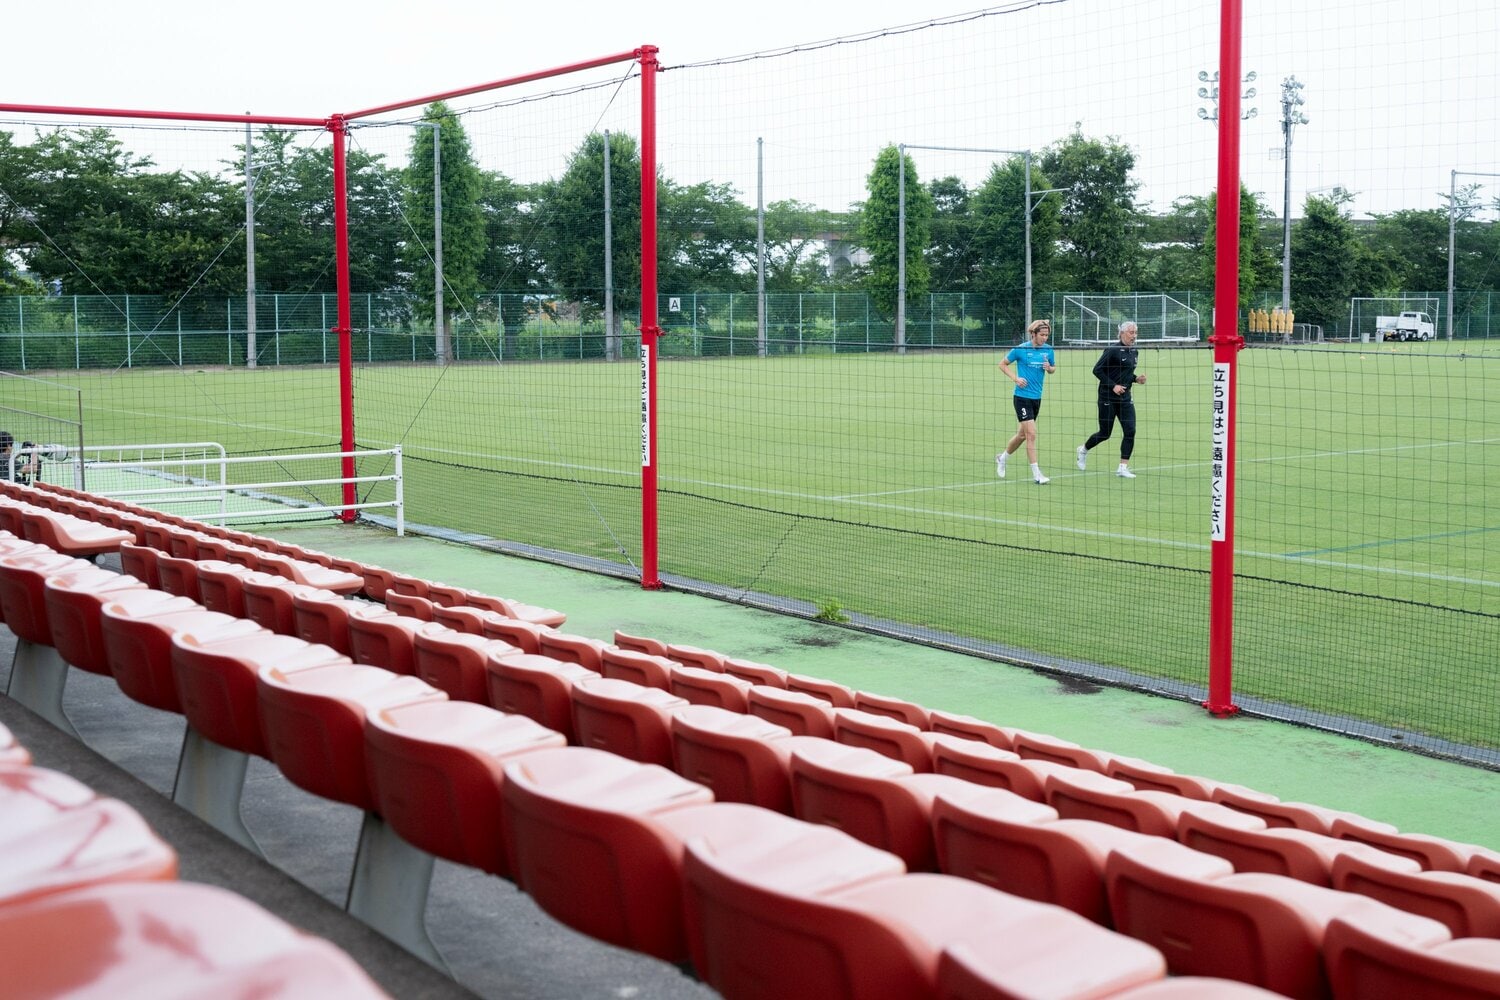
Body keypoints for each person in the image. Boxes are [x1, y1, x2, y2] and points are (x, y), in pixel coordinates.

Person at [1077, 320, 1146, 478]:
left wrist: (1136, 379)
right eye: (1131, 332)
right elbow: (1097, 370)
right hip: (1107, 396)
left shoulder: (1134, 351)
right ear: (1122, 333)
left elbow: (1126, 374)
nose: (1134, 336)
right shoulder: (1112, 350)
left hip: (1126, 398)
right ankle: (1083, 450)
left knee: (1130, 430)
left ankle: (1122, 467)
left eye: (1135, 332)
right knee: (1105, 433)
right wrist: (1113, 385)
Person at [996, 318, 1057, 485]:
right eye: (1042, 335)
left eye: (1047, 335)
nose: (1045, 338)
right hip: (1021, 397)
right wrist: (1016, 378)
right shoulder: (1020, 350)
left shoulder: (1048, 350)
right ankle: (1037, 474)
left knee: (1022, 435)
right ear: (1033, 334)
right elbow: (1002, 364)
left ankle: (1002, 458)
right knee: (1031, 434)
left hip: (1037, 398)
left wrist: (1049, 368)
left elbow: (1053, 369)